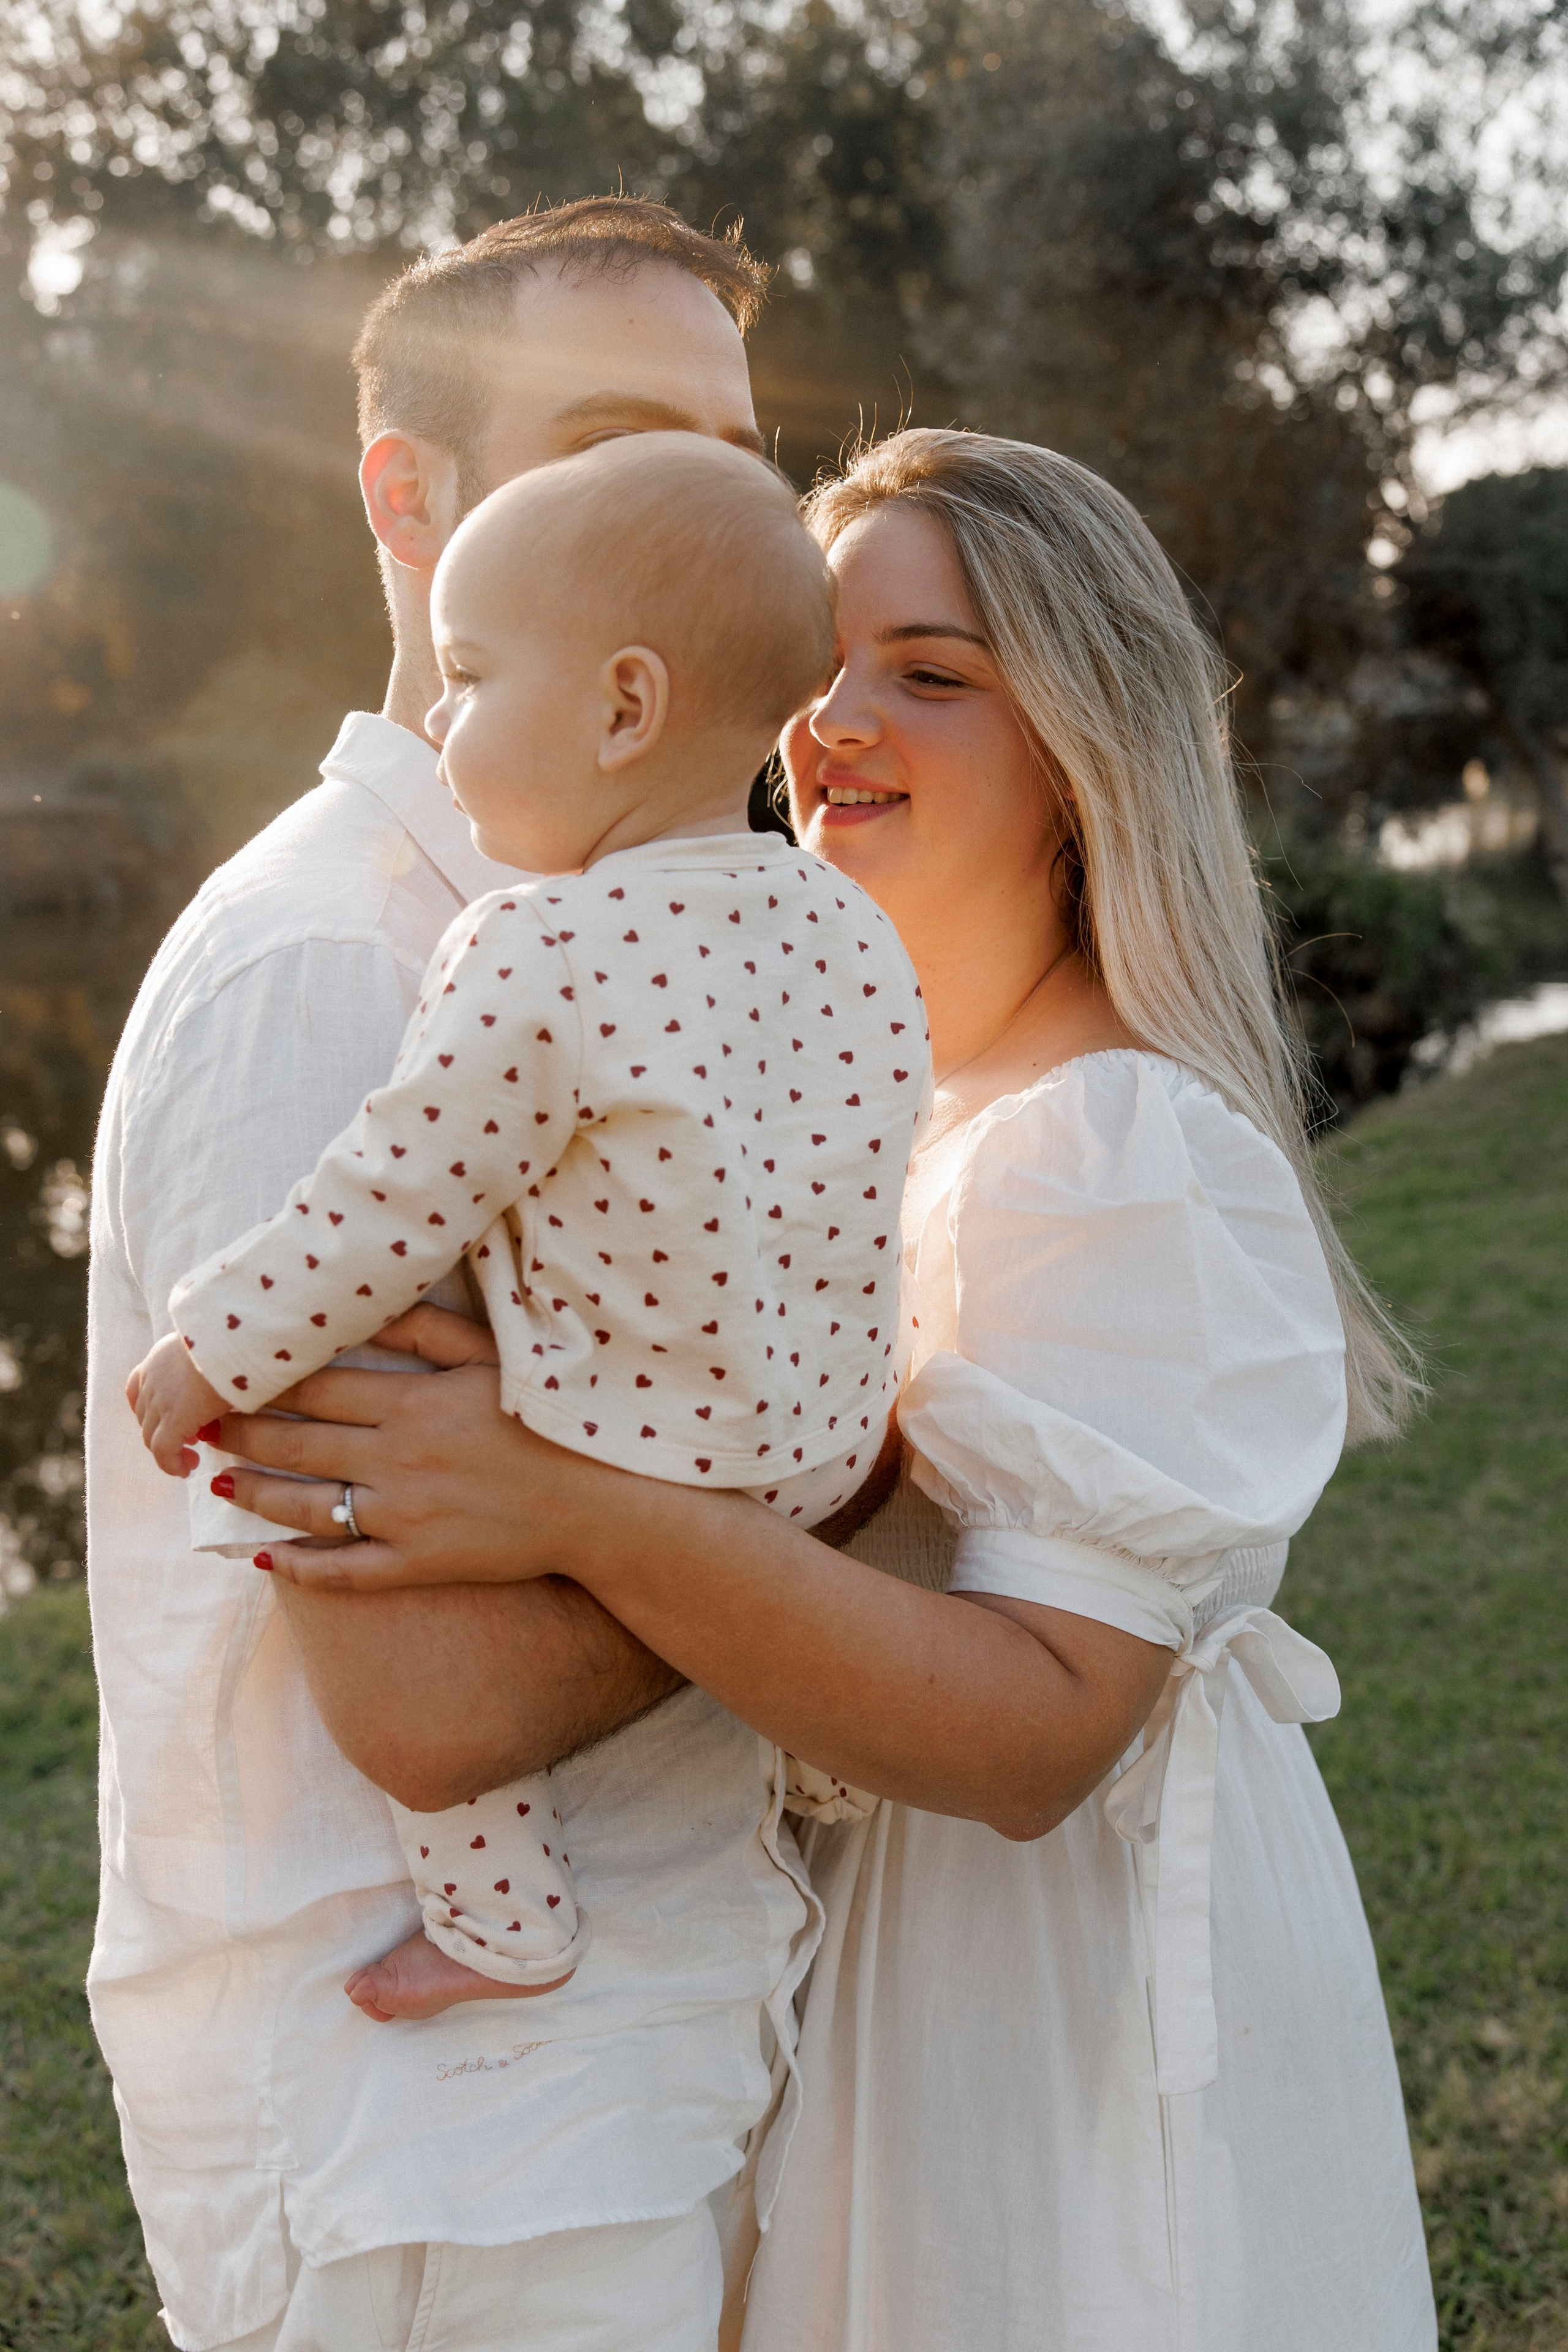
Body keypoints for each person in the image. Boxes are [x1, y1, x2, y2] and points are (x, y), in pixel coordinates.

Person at [222, 428, 1439, 2350]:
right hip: (884, 1948)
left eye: (932, 675)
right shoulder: (898, 1103)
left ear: (1083, 753)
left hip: (1050, 1985)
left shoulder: (1113, 1136)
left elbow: (1041, 1736)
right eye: (823, 668)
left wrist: (570, 1502)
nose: (833, 721)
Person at [85, 200, 841, 2352]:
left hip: (603, 2067)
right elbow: (431, 1695)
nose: (693, 506)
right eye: (608, 440)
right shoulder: (350, 970)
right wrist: (859, 1489)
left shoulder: (649, 930)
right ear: (406, 500)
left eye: (732, 457)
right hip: (441, 2132)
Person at [127, 433, 924, 2025]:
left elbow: (383, 1197)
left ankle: (502, 1920)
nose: (437, 714)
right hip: (829, 1437)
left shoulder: (538, 945)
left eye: (474, 676)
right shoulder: (842, 917)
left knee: (372, 1532)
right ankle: (811, 1744)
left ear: (624, 708)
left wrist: (207, 1349)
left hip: (650, 1448)